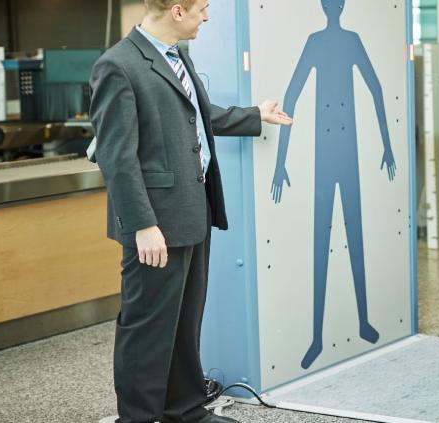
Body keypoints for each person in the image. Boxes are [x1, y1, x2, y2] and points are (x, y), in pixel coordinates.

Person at [89, 1, 292, 422]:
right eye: (201, 8)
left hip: (192, 209)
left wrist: (255, 115)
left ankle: (184, 409)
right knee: (146, 327)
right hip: (154, 221)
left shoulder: (177, 56)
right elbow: (117, 158)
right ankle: (138, 417)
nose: (207, 16)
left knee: (184, 319)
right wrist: (144, 225)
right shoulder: (118, 66)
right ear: (177, 10)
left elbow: (197, 118)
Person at [270, 0, 395, 370]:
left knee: (351, 235)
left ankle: (361, 322)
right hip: (327, 151)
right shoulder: (321, 42)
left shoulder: (345, 41)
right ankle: (318, 337)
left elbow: (374, 88)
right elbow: (292, 97)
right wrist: (280, 163)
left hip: (343, 151)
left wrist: (388, 145)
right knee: (324, 238)